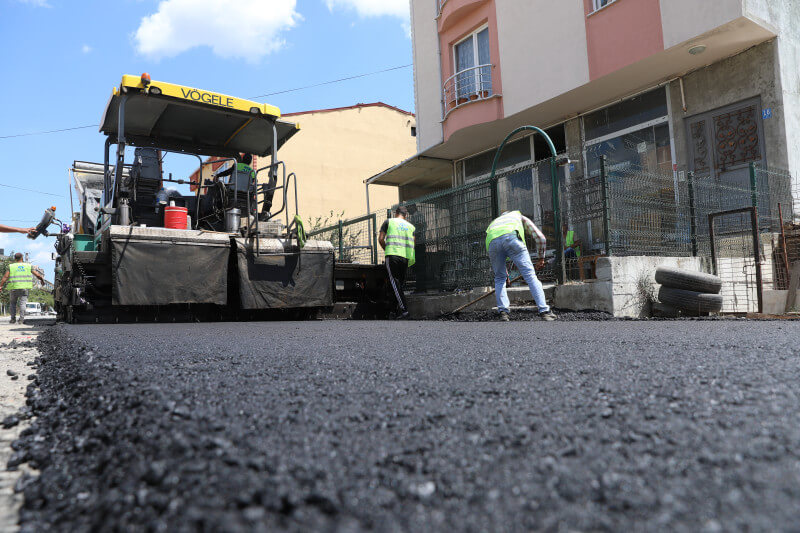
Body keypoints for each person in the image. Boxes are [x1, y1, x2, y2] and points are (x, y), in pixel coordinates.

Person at [486, 210, 556, 322]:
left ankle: (503, 312)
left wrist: (505, 274)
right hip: (512, 240)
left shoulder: (494, 223)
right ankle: (544, 311)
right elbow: (540, 237)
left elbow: (497, 249)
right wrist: (541, 258)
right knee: (530, 276)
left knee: (499, 278)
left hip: (492, 244)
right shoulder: (517, 216)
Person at [379, 206, 416, 319]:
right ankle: (393, 312)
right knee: (398, 284)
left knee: (394, 283)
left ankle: (404, 311)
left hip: (392, 255)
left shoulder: (389, 222)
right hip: (405, 257)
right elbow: (413, 243)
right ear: (406, 215)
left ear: (396, 213)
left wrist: (387, 249)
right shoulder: (411, 227)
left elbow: (381, 239)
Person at [0, 253, 46, 324]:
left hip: (13, 288)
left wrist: (1, 286)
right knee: (23, 304)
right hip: (24, 288)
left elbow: (5, 277)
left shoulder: (11, 266)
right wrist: (42, 280)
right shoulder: (28, 266)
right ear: (22, 258)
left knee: (13, 303)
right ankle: (21, 319)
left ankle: (13, 319)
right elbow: (37, 275)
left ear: (15, 258)